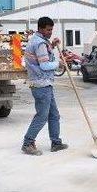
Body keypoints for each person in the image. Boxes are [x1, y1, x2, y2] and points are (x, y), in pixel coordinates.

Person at [22, 16, 69, 156]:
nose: (50, 32)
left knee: (54, 115)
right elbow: (44, 65)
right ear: (41, 28)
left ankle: (56, 142)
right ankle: (27, 143)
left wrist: (52, 45)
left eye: (51, 29)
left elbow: (42, 57)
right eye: (48, 30)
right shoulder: (40, 43)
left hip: (45, 83)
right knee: (42, 116)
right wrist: (59, 64)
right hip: (41, 85)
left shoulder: (40, 41)